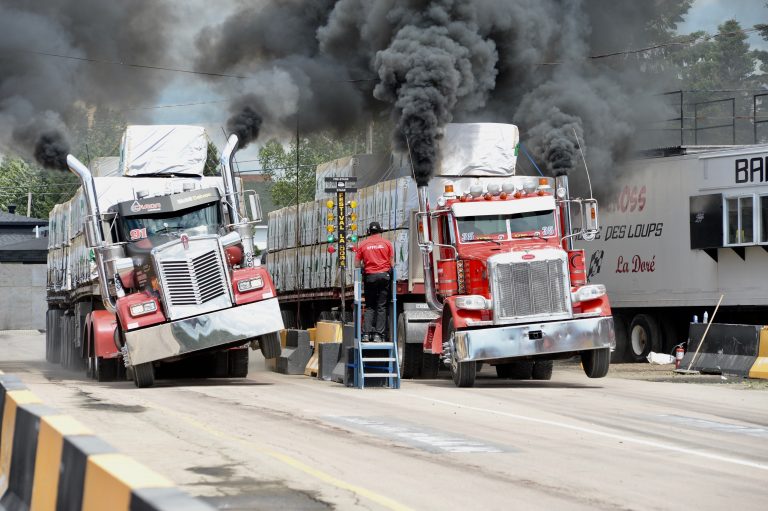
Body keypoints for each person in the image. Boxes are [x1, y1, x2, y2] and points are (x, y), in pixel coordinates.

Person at [355, 221, 394, 342]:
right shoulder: (387, 243)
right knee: (382, 306)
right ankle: (378, 335)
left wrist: (364, 267)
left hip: (370, 277)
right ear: (380, 231)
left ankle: (366, 334)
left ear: (368, 231)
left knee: (370, 306)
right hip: (384, 277)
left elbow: (356, 264)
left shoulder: (363, 244)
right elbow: (392, 263)